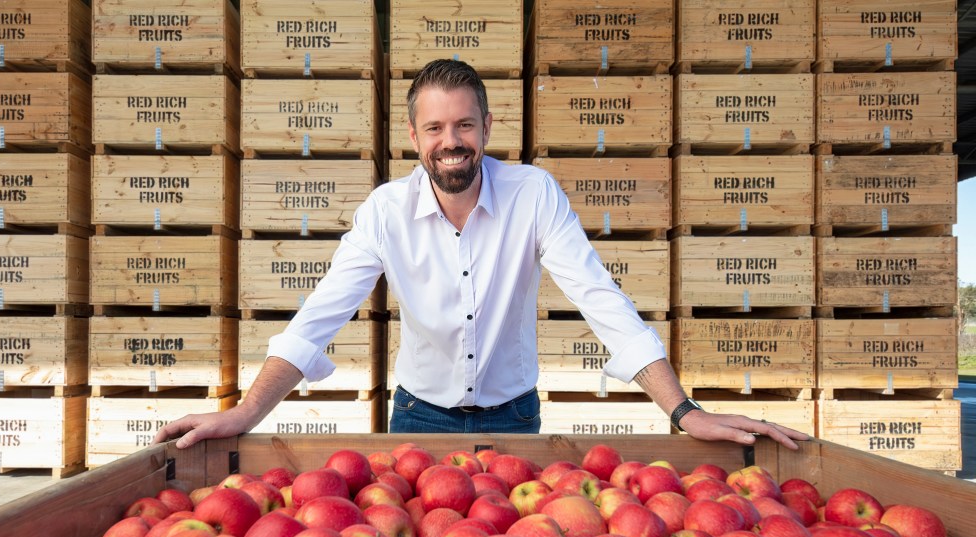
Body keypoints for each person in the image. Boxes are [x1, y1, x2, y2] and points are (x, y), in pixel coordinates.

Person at [154, 59, 808, 451]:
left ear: (487, 129)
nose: (452, 141)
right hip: (416, 418)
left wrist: (683, 411)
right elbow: (319, 317)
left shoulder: (533, 195)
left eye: (464, 125)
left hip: (515, 418)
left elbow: (600, 300)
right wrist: (244, 413)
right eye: (435, 128)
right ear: (413, 137)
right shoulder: (385, 211)